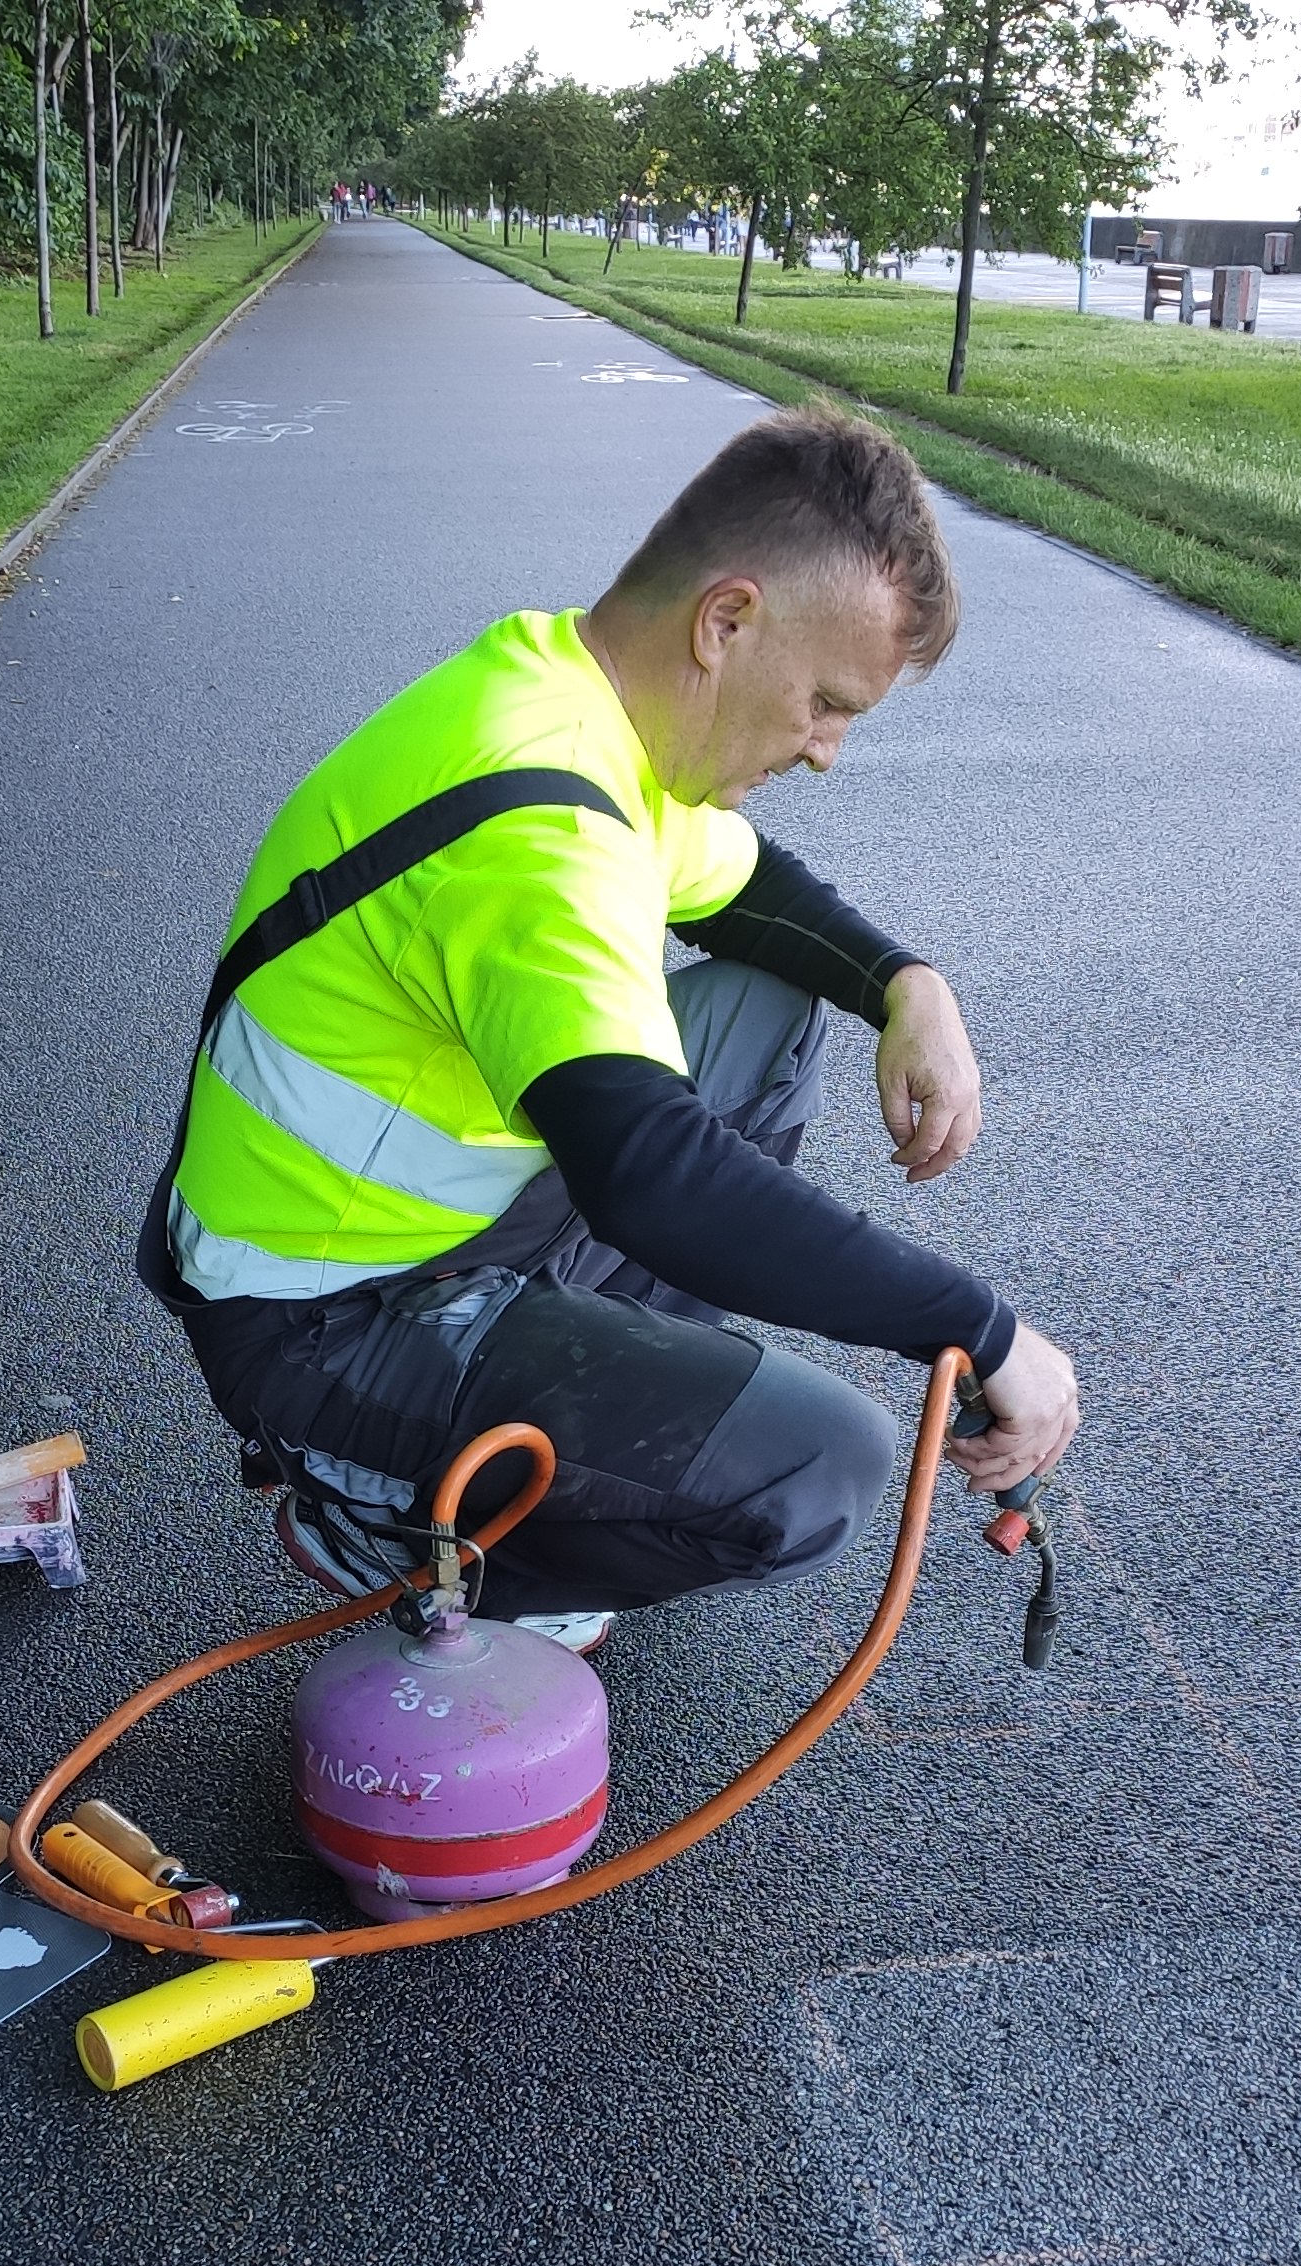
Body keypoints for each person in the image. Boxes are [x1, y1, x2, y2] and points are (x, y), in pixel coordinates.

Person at [140, 409, 1083, 1649]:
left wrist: (910, 985)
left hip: (431, 1227)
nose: (826, 752)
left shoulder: (578, 700)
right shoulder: (537, 828)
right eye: (823, 702)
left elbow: (747, 892)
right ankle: (402, 1530)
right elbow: (656, 1180)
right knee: (820, 1467)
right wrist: (981, 1331)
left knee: (766, 1008)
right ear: (726, 620)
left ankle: (594, 1438)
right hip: (324, 1320)